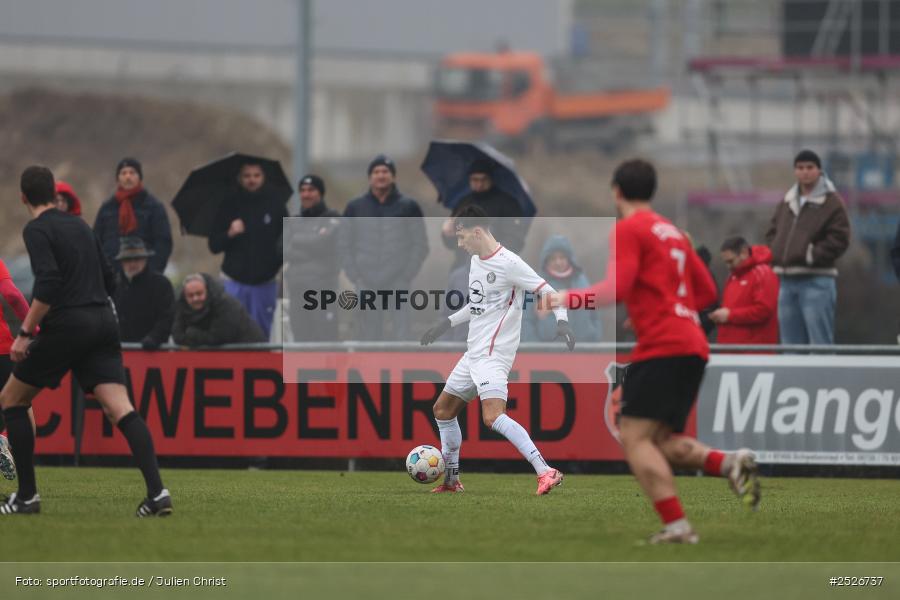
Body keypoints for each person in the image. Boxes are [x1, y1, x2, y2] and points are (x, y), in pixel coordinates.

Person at [550, 159, 759, 544]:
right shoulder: (674, 233)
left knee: (634, 438)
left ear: (616, 191)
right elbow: (707, 293)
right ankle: (729, 463)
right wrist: (662, 306)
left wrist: (566, 297)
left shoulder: (629, 228)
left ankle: (678, 526)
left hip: (664, 344)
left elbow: (617, 288)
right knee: (660, 441)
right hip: (692, 343)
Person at [1, 166, 171, 516]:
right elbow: (109, 277)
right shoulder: (80, 224)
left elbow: (47, 284)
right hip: (103, 321)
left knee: (12, 400)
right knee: (120, 408)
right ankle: (157, 493)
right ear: (54, 192)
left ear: (23, 198)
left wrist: (24, 333)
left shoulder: (36, 229)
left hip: (68, 322)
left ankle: (27, 497)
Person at [420, 205, 575, 495]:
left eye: (462, 237)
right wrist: (446, 323)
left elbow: (549, 292)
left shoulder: (510, 263)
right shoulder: (477, 261)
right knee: (442, 410)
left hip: (494, 357)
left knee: (492, 417)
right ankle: (452, 481)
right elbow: (478, 305)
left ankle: (546, 471)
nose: (459, 243)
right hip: (473, 354)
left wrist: (563, 322)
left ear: (477, 232)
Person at [765, 150, 850, 345]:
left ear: (819, 170)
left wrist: (812, 255)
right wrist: (776, 252)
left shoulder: (832, 202)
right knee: (790, 345)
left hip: (817, 281)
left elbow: (841, 238)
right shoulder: (787, 202)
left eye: (810, 167)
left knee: (820, 343)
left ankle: (824, 377)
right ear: (795, 171)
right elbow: (772, 232)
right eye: (800, 168)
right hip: (786, 282)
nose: (805, 172)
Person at [339, 154, 428, 340]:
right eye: (376, 171)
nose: (381, 175)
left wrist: (406, 275)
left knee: (401, 334)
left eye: (385, 171)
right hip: (365, 282)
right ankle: (369, 370)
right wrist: (355, 276)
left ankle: (401, 368)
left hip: (398, 282)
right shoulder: (355, 207)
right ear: (370, 177)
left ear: (393, 176)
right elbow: (344, 245)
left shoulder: (408, 206)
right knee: (367, 336)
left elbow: (420, 245)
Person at [439, 159, 529, 341]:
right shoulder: (463, 203)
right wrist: (447, 233)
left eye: (483, 179)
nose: (478, 184)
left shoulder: (507, 204)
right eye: (474, 180)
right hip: (464, 268)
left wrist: (489, 251)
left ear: (491, 180)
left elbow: (516, 239)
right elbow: (452, 242)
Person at [208, 162, 288, 340]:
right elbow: (214, 245)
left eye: (256, 175)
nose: (252, 179)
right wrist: (230, 233)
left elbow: (287, 241)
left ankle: (260, 368)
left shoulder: (276, 205)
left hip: (265, 284)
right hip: (234, 282)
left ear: (263, 177)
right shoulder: (228, 204)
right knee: (231, 331)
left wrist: (274, 266)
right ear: (239, 178)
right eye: (247, 175)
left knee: (261, 333)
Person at [285, 175, 341, 342]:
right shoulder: (293, 221)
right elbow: (281, 249)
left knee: (325, 341)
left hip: (322, 291)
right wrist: (313, 245)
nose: (306, 194)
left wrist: (297, 241)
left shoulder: (333, 217)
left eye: (311, 190)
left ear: (320, 193)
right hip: (297, 290)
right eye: (302, 190)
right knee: (301, 340)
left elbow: (327, 245)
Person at [94, 158, 172, 274]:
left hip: (145, 274)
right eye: (123, 173)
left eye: (132, 172)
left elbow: (163, 242)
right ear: (118, 178)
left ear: (139, 177)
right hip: (112, 274)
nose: (128, 177)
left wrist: (152, 271)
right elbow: (96, 241)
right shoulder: (107, 207)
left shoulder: (153, 206)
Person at [522, 234, 601, 343]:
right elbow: (525, 321)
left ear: (569, 258)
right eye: (553, 258)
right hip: (548, 355)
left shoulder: (582, 281)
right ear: (546, 260)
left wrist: (594, 338)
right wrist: (536, 349)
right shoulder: (534, 284)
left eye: (562, 257)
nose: (558, 262)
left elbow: (594, 316)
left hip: (583, 351)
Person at [709, 237, 779, 346]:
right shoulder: (733, 276)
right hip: (730, 350)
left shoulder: (763, 273)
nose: (728, 266)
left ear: (744, 253)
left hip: (752, 353)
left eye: (731, 261)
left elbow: (763, 311)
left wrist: (729, 315)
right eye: (726, 263)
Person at [112, 237, 175, 350]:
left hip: (153, 354)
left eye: (137, 259)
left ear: (145, 259)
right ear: (121, 262)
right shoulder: (113, 285)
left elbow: (167, 318)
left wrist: (154, 338)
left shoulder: (161, 284)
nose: (132, 263)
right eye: (127, 260)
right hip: (120, 353)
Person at [0, 258, 31, 482]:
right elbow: (13, 295)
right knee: (21, 405)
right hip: (2, 347)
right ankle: (27, 482)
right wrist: (34, 327)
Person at [172, 273, 265, 347]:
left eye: (199, 294)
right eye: (190, 295)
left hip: (250, 352)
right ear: (185, 296)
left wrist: (191, 333)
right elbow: (177, 336)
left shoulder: (226, 303)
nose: (195, 298)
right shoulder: (181, 305)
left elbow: (220, 337)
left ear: (207, 290)